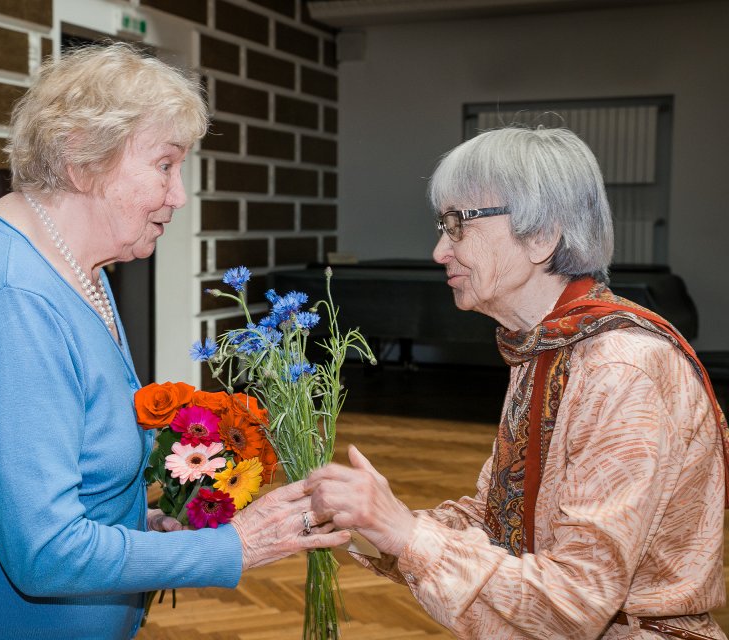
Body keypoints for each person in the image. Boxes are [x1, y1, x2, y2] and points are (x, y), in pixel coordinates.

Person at [0, 43, 348, 639]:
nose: (179, 195)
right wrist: (234, 547)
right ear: (81, 158)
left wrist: (133, 520)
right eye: (165, 165)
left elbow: (58, 462)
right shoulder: (12, 298)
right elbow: (44, 553)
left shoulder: (76, 266)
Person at [305, 126, 729, 639]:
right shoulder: (545, 346)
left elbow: (575, 606)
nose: (440, 250)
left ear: (542, 236)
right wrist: (373, 522)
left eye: (458, 224)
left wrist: (405, 532)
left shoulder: (620, 368)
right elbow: (500, 521)